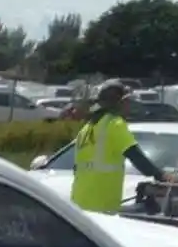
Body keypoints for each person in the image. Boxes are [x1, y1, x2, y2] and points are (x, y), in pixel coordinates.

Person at [70, 81, 167, 213]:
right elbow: (134, 155)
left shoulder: (87, 128)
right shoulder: (115, 124)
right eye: (127, 102)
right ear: (119, 103)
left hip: (79, 203)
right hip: (101, 204)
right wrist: (162, 175)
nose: (129, 106)